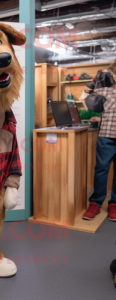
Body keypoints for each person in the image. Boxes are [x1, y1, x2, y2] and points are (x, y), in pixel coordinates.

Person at [83, 60, 116, 221]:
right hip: (107, 134)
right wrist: (96, 79)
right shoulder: (104, 86)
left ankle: (114, 204)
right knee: (101, 169)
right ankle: (95, 203)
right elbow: (86, 95)